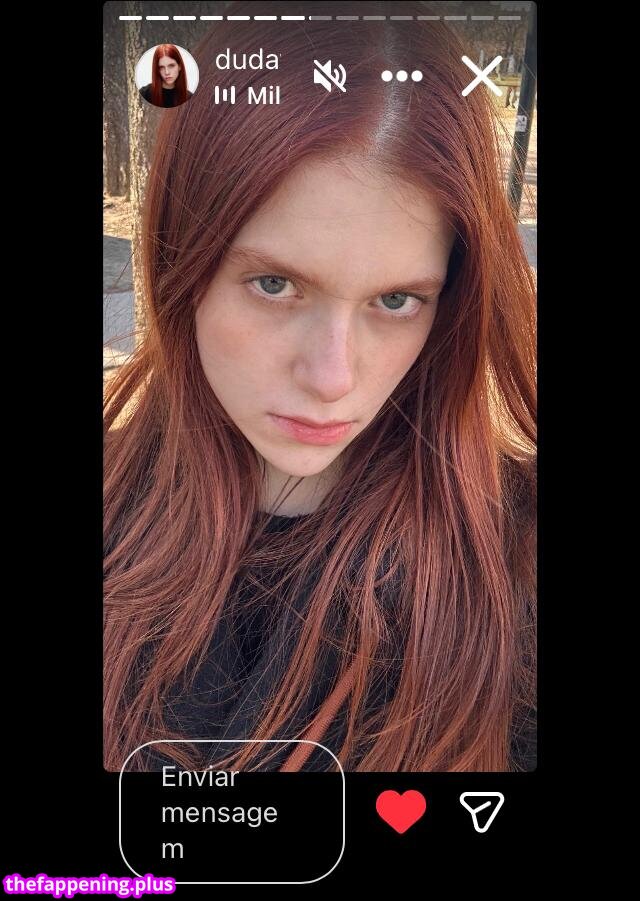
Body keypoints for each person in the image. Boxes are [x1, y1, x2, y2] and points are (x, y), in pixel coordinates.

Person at [105, 0, 537, 774]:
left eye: (396, 300)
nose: (333, 378)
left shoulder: (512, 560)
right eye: (275, 284)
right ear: (181, 262)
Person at [139, 44, 192, 108]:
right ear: (157, 70)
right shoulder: (144, 94)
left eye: (171, 66)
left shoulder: (189, 97)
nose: (167, 72)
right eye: (161, 67)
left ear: (179, 66)